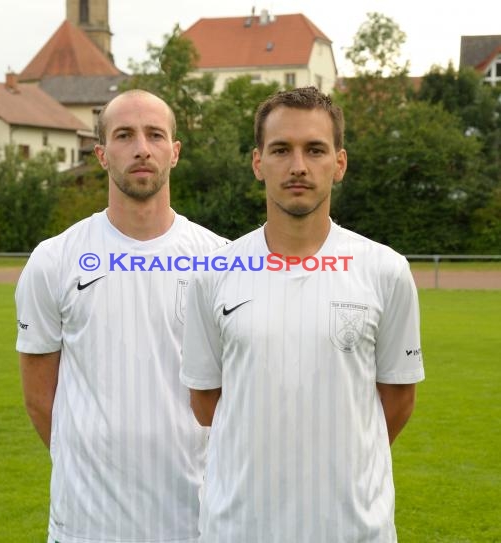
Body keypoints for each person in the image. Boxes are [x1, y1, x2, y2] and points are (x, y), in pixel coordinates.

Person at [180, 86, 425, 542]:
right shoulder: (213, 275)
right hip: (239, 527)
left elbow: (397, 399)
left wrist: (340, 456)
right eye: (281, 150)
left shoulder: (385, 270)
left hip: (352, 529)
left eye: (315, 149)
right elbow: (206, 404)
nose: (298, 166)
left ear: (340, 163)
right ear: (258, 163)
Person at [15, 89, 227, 543]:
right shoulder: (55, 260)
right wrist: (89, 466)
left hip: (197, 521)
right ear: (101, 154)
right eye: (124, 135)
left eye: (155, 135)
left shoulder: (221, 261)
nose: (141, 148)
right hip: (87, 525)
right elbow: (38, 398)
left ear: (175, 152)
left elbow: (235, 397)